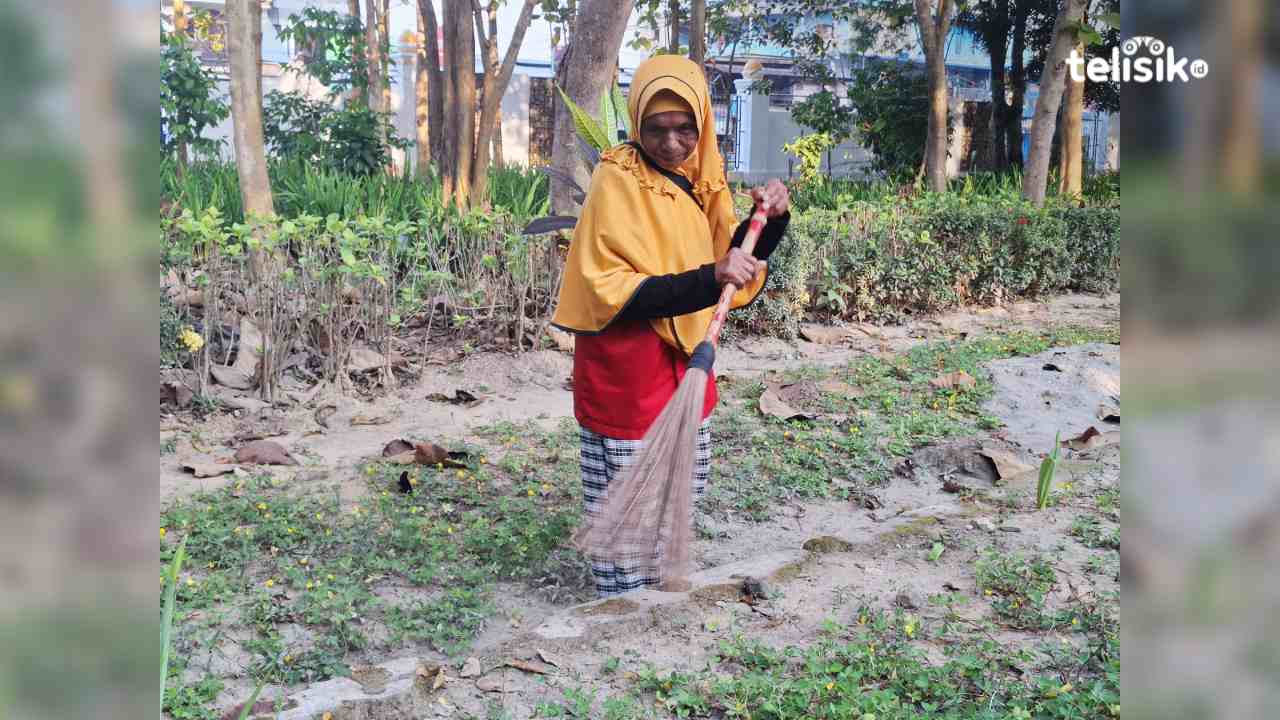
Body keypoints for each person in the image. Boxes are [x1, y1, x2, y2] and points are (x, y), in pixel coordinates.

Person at [550, 56, 791, 598]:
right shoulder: (619, 179)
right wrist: (711, 277)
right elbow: (614, 286)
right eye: (657, 129)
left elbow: (730, 265)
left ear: (703, 123)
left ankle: (655, 586)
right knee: (628, 486)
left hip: (685, 359)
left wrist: (770, 222)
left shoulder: (702, 178)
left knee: (685, 477)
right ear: (638, 123)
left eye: (686, 128)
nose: (673, 142)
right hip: (627, 364)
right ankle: (621, 603)